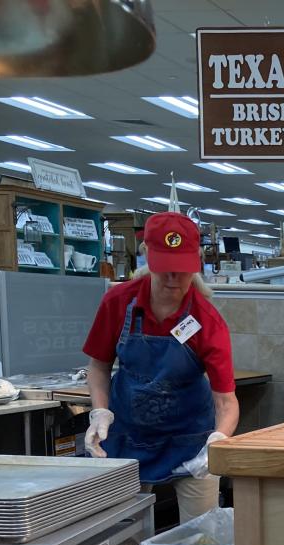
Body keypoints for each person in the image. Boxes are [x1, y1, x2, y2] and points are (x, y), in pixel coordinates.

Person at [82, 211, 239, 523]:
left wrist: (218, 442)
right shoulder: (118, 302)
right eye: (164, 267)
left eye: (182, 269)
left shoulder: (207, 321)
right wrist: (100, 412)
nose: (173, 278)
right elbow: (98, 367)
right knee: (123, 532)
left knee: (202, 534)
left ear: (196, 264)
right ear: (147, 257)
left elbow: (226, 400)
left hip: (190, 442)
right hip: (128, 436)